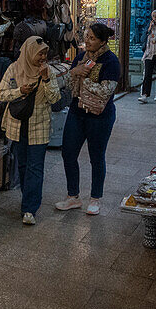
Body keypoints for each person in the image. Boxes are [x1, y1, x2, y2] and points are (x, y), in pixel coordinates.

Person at [56, 23, 120, 215]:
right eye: (87, 36)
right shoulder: (81, 57)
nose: (87, 41)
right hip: (77, 112)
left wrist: (85, 79)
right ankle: (73, 196)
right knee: (68, 153)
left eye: (92, 38)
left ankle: (95, 199)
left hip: (100, 116)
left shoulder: (111, 61)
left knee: (96, 157)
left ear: (102, 41)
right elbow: (68, 84)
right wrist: (74, 72)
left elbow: (106, 91)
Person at [0, 36, 61, 225]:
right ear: (29, 52)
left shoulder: (48, 72)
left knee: (35, 167)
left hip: (39, 126)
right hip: (17, 125)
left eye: (45, 53)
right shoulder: (14, 69)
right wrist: (19, 91)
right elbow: (1, 94)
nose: (43, 57)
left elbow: (55, 98)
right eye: (39, 53)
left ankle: (29, 208)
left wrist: (46, 78)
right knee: (23, 165)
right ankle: (29, 199)